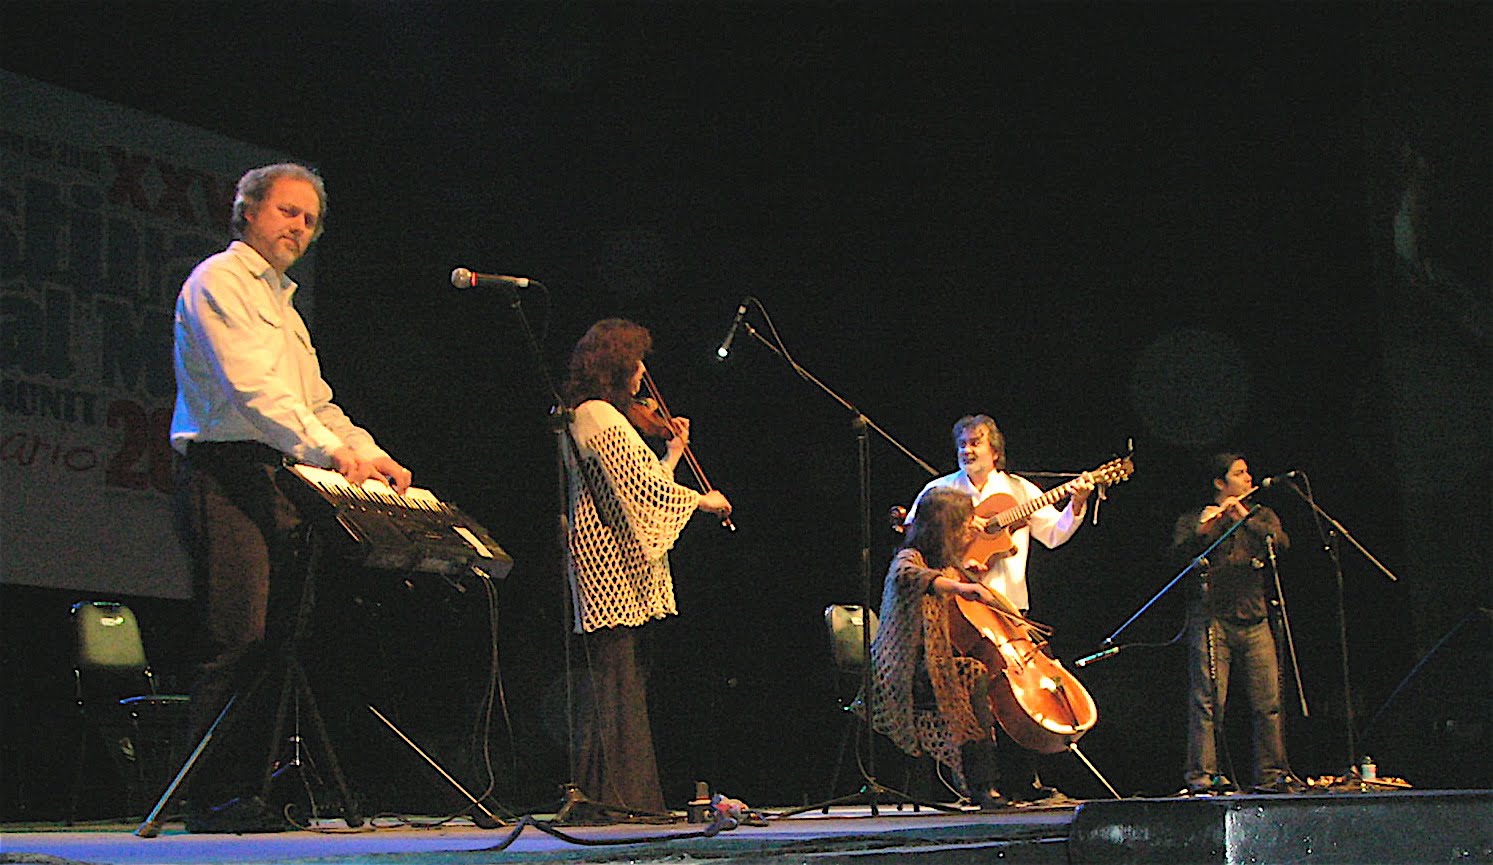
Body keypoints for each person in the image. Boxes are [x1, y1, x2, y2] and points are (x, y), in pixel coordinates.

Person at [170, 163, 412, 831]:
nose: (299, 227)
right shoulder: (220, 281)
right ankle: (207, 797)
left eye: (309, 219)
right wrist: (332, 452)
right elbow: (255, 392)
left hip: (278, 471)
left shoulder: (285, 307)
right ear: (248, 211)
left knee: (278, 641)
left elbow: (316, 403)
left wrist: (367, 450)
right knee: (237, 636)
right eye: (287, 211)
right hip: (225, 471)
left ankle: (249, 792)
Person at [560, 318, 732, 818]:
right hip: (608, 561)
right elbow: (641, 490)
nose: (642, 374)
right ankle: (617, 799)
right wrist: (702, 501)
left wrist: (673, 452)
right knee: (615, 681)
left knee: (622, 681)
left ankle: (615, 797)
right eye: (636, 363)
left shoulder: (601, 414)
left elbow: (639, 483)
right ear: (617, 365)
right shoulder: (598, 415)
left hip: (617, 559)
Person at [901, 414, 1093, 803]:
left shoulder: (1019, 490)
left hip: (1008, 609)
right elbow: (914, 539)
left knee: (1021, 694)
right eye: (962, 444)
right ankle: (973, 783)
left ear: (995, 450)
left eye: (976, 442)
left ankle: (1024, 781)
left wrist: (1077, 502)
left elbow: (1053, 535)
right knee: (970, 695)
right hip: (956, 610)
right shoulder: (939, 491)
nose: (967, 450)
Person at [1172, 452, 1302, 795]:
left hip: (1255, 617)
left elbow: (1280, 543)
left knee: (1268, 703)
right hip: (1211, 619)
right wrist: (1209, 524)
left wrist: (1243, 517)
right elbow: (1180, 554)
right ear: (1220, 482)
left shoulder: (1260, 515)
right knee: (1207, 703)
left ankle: (1272, 775)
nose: (1248, 478)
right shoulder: (1195, 519)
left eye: (1247, 473)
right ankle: (1202, 777)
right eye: (1239, 473)